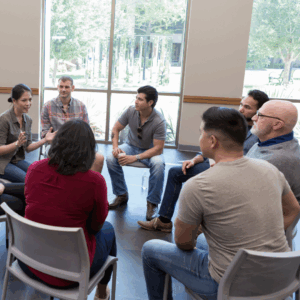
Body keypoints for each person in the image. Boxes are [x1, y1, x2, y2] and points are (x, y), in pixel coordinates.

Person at [142, 107, 300, 300]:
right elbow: (293, 210)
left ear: (212, 141)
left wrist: (201, 226)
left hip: (230, 288)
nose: (200, 138)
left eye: (201, 133)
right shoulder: (270, 169)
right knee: (202, 242)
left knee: (150, 250)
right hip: (281, 281)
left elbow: (183, 243)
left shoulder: (197, 186)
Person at [138, 89, 269, 232]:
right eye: (241, 104)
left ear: (259, 111)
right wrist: (195, 159)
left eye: (247, 107)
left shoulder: (260, 134)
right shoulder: (234, 122)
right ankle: (164, 221)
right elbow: (213, 142)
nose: (241, 109)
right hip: (212, 163)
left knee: (192, 186)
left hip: (229, 172)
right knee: (176, 172)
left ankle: (196, 226)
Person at [20, 119, 116, 300]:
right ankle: (102, 293)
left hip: (29, 262)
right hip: (70, 274)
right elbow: (96, 227)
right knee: (109, 231)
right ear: (89, 150)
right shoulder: (95, 181)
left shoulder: (34, 169)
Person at [106, 85, 166, 221]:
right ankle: (121, 195)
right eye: (136, 98)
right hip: (130, 146)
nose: (136, 101)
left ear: (150, 103)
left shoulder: (159, 121)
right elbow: (115, 128)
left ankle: (152, 203)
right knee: (110, 158)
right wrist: (115, 148)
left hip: (151, 151)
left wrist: (135, 158)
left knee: (158, 164)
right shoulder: (130, 111)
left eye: (140, 99)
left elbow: (158, 149)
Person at [41, 76, 104, 173]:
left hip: (78, 145)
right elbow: (45, 132)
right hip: (56, 144)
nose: (63, 90)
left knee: (99, 158)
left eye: (66, 87)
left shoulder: (81, 106)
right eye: (61, 86)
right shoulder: (47, 106)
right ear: (57, 87)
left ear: (72, 88)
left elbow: (86, 130)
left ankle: (89, 184)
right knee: (51, 153)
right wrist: (49, 137)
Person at [247, 99, 300, 203]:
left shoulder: (279, 159)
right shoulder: (267, 142)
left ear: (277, 125)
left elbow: (253, 199)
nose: (254, 118)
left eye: (260, 115)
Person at [0, 84, 56, 182]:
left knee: (39, 174)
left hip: (16, 160)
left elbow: (28, 147)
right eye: (24, 100)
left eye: (30, 99)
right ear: (14, 101)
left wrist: (45, 139)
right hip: (3, 162)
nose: (28, 103)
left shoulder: (27, 119)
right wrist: (16, 144)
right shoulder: (4, 119)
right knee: (28, 180)